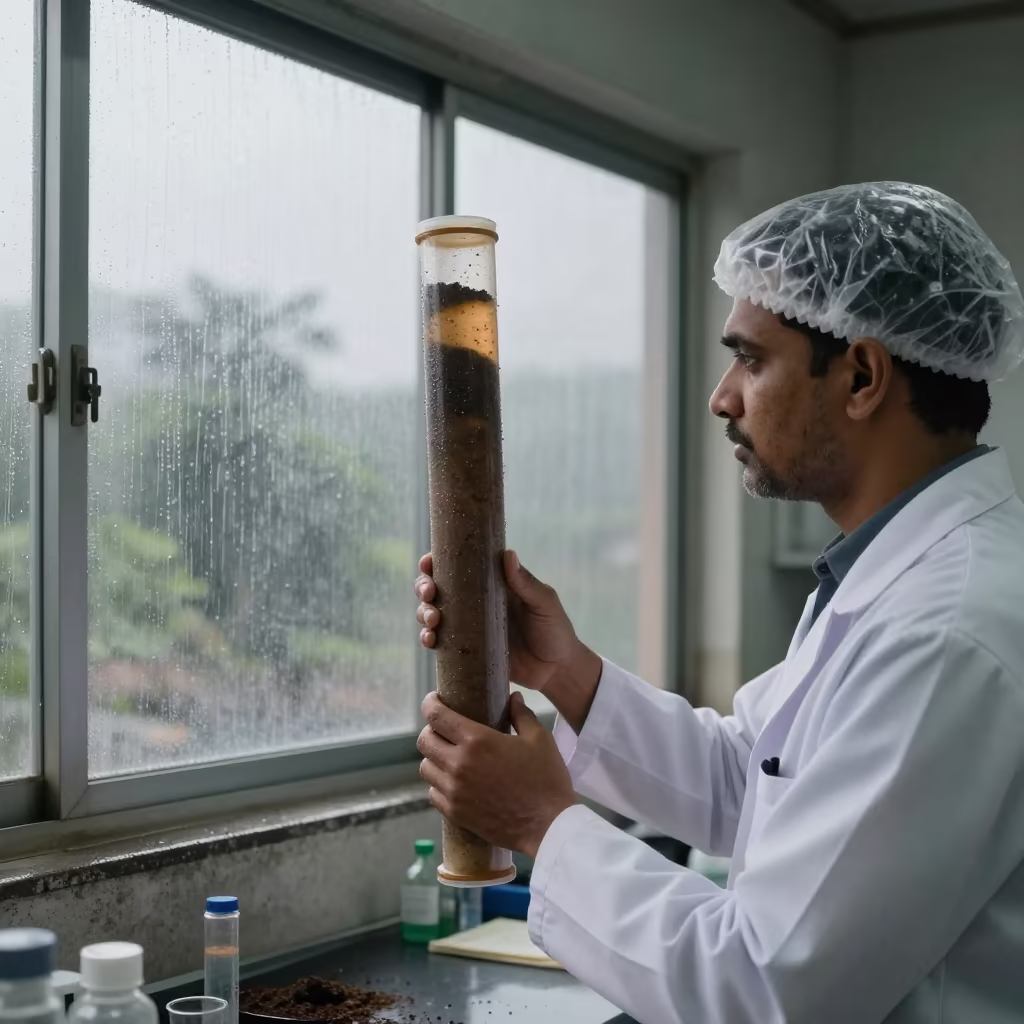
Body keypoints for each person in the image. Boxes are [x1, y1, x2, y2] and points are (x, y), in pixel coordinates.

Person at [413, 182, 1024, 1024]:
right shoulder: (899, 575)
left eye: (752, 358)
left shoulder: (945, 630)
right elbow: (754, 781)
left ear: (862, 376)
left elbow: (770, 987)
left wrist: (542, 823)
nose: (723, 396)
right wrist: (569, 674)